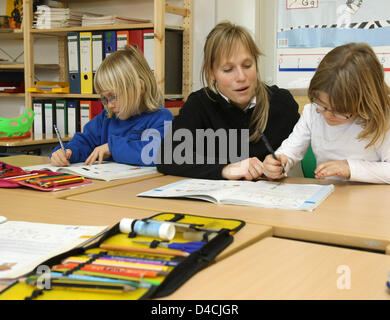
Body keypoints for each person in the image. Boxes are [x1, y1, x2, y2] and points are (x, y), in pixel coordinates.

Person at [156, 21, 300, 180]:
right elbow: (167, 156)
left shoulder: (282, 103)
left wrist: (278, 166)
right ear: (211, 73)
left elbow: (298, 155)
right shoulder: (199, 105)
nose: (241, 77)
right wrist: (226, 169)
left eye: (247, 65)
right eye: (228, 70)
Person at [263, 42, 390, 184]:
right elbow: (290, 151)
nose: (328, 115)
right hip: (329, 196)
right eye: (322, 106)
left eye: (341, 111)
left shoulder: (383, 119)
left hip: (372, 200)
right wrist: (277, 163)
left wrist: (350, 168)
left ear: (365, 102)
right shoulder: (312, 113)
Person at [50, 45, 173, 167]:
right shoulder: (106, 119)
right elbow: (84, 141)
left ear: (139, 88)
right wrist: (67, 152)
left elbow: (159, 153)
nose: (109, 104)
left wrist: (112, 147)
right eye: (105, 98)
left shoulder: (161, 118)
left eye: (113, 96)